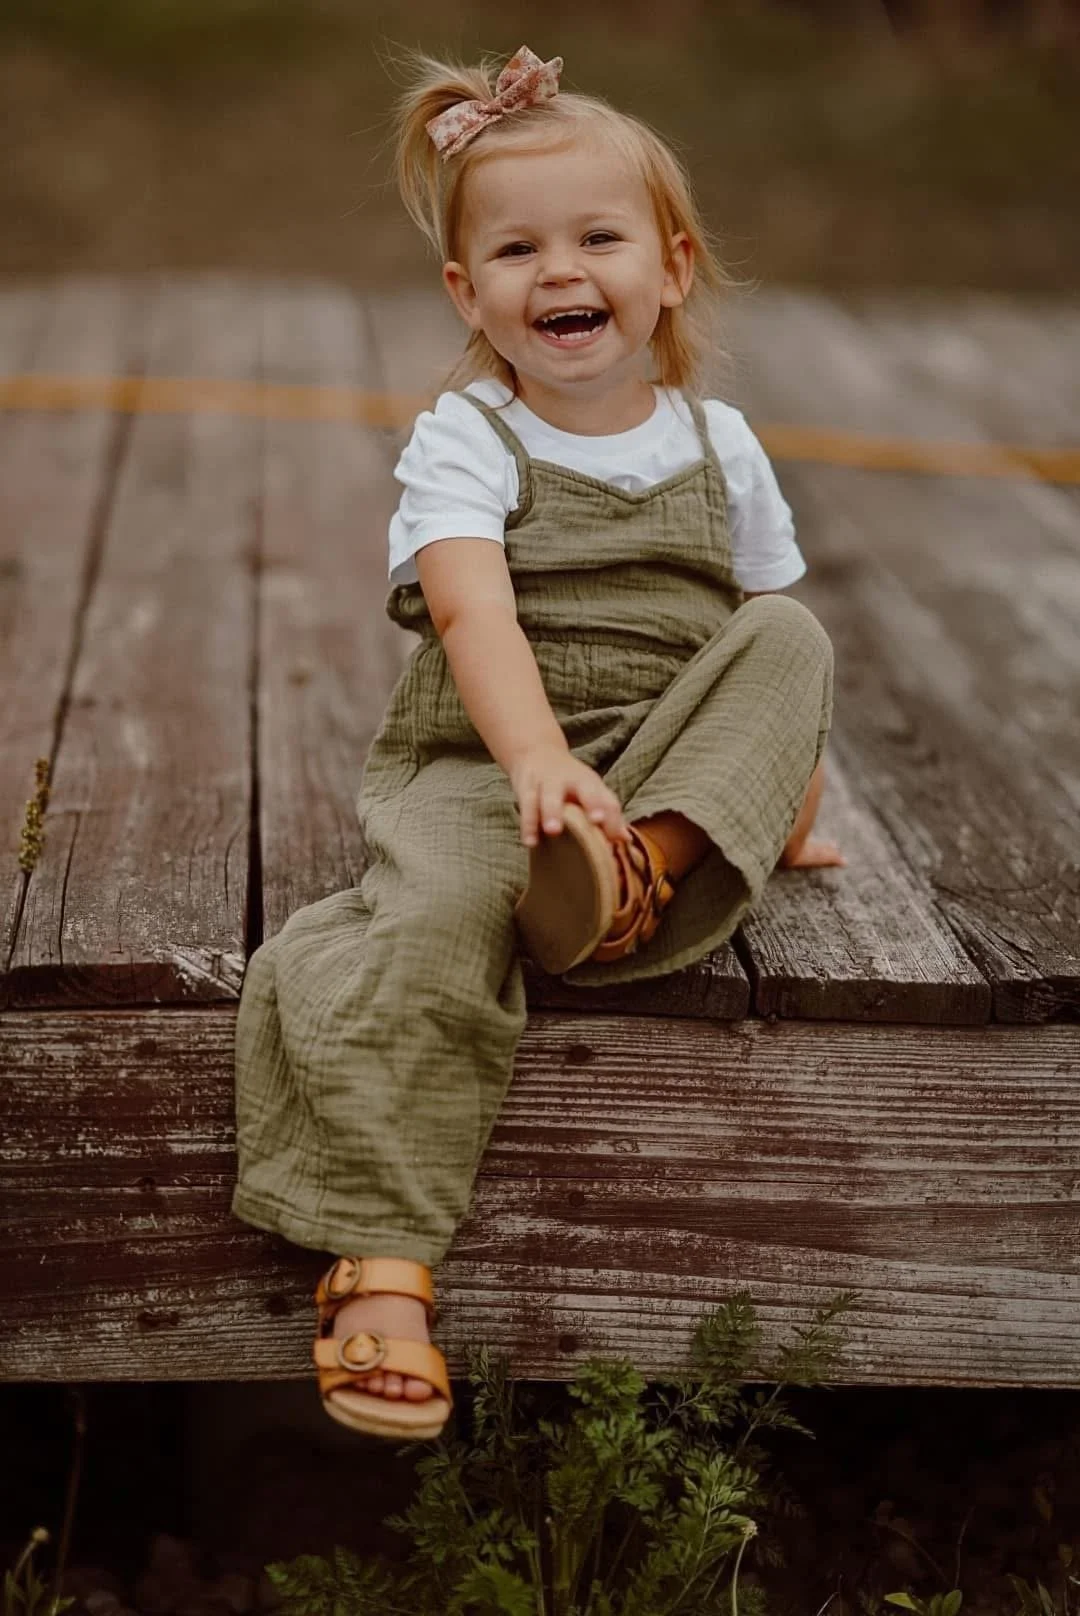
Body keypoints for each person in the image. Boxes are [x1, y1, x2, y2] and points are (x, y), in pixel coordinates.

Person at [232, 45, 842, 1443]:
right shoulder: (467, 439)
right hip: (481, 766)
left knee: (796, 634)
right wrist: (530, 765)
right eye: (515, 248)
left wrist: (784, 806)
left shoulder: (720, 441)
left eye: (597, 238)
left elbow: (765, 647)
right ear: (468, 293)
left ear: (671, 267)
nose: (557, 271)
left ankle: (645, 860)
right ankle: (385, 1265)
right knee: (436, 915)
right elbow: (473, 611)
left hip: (658, 768)